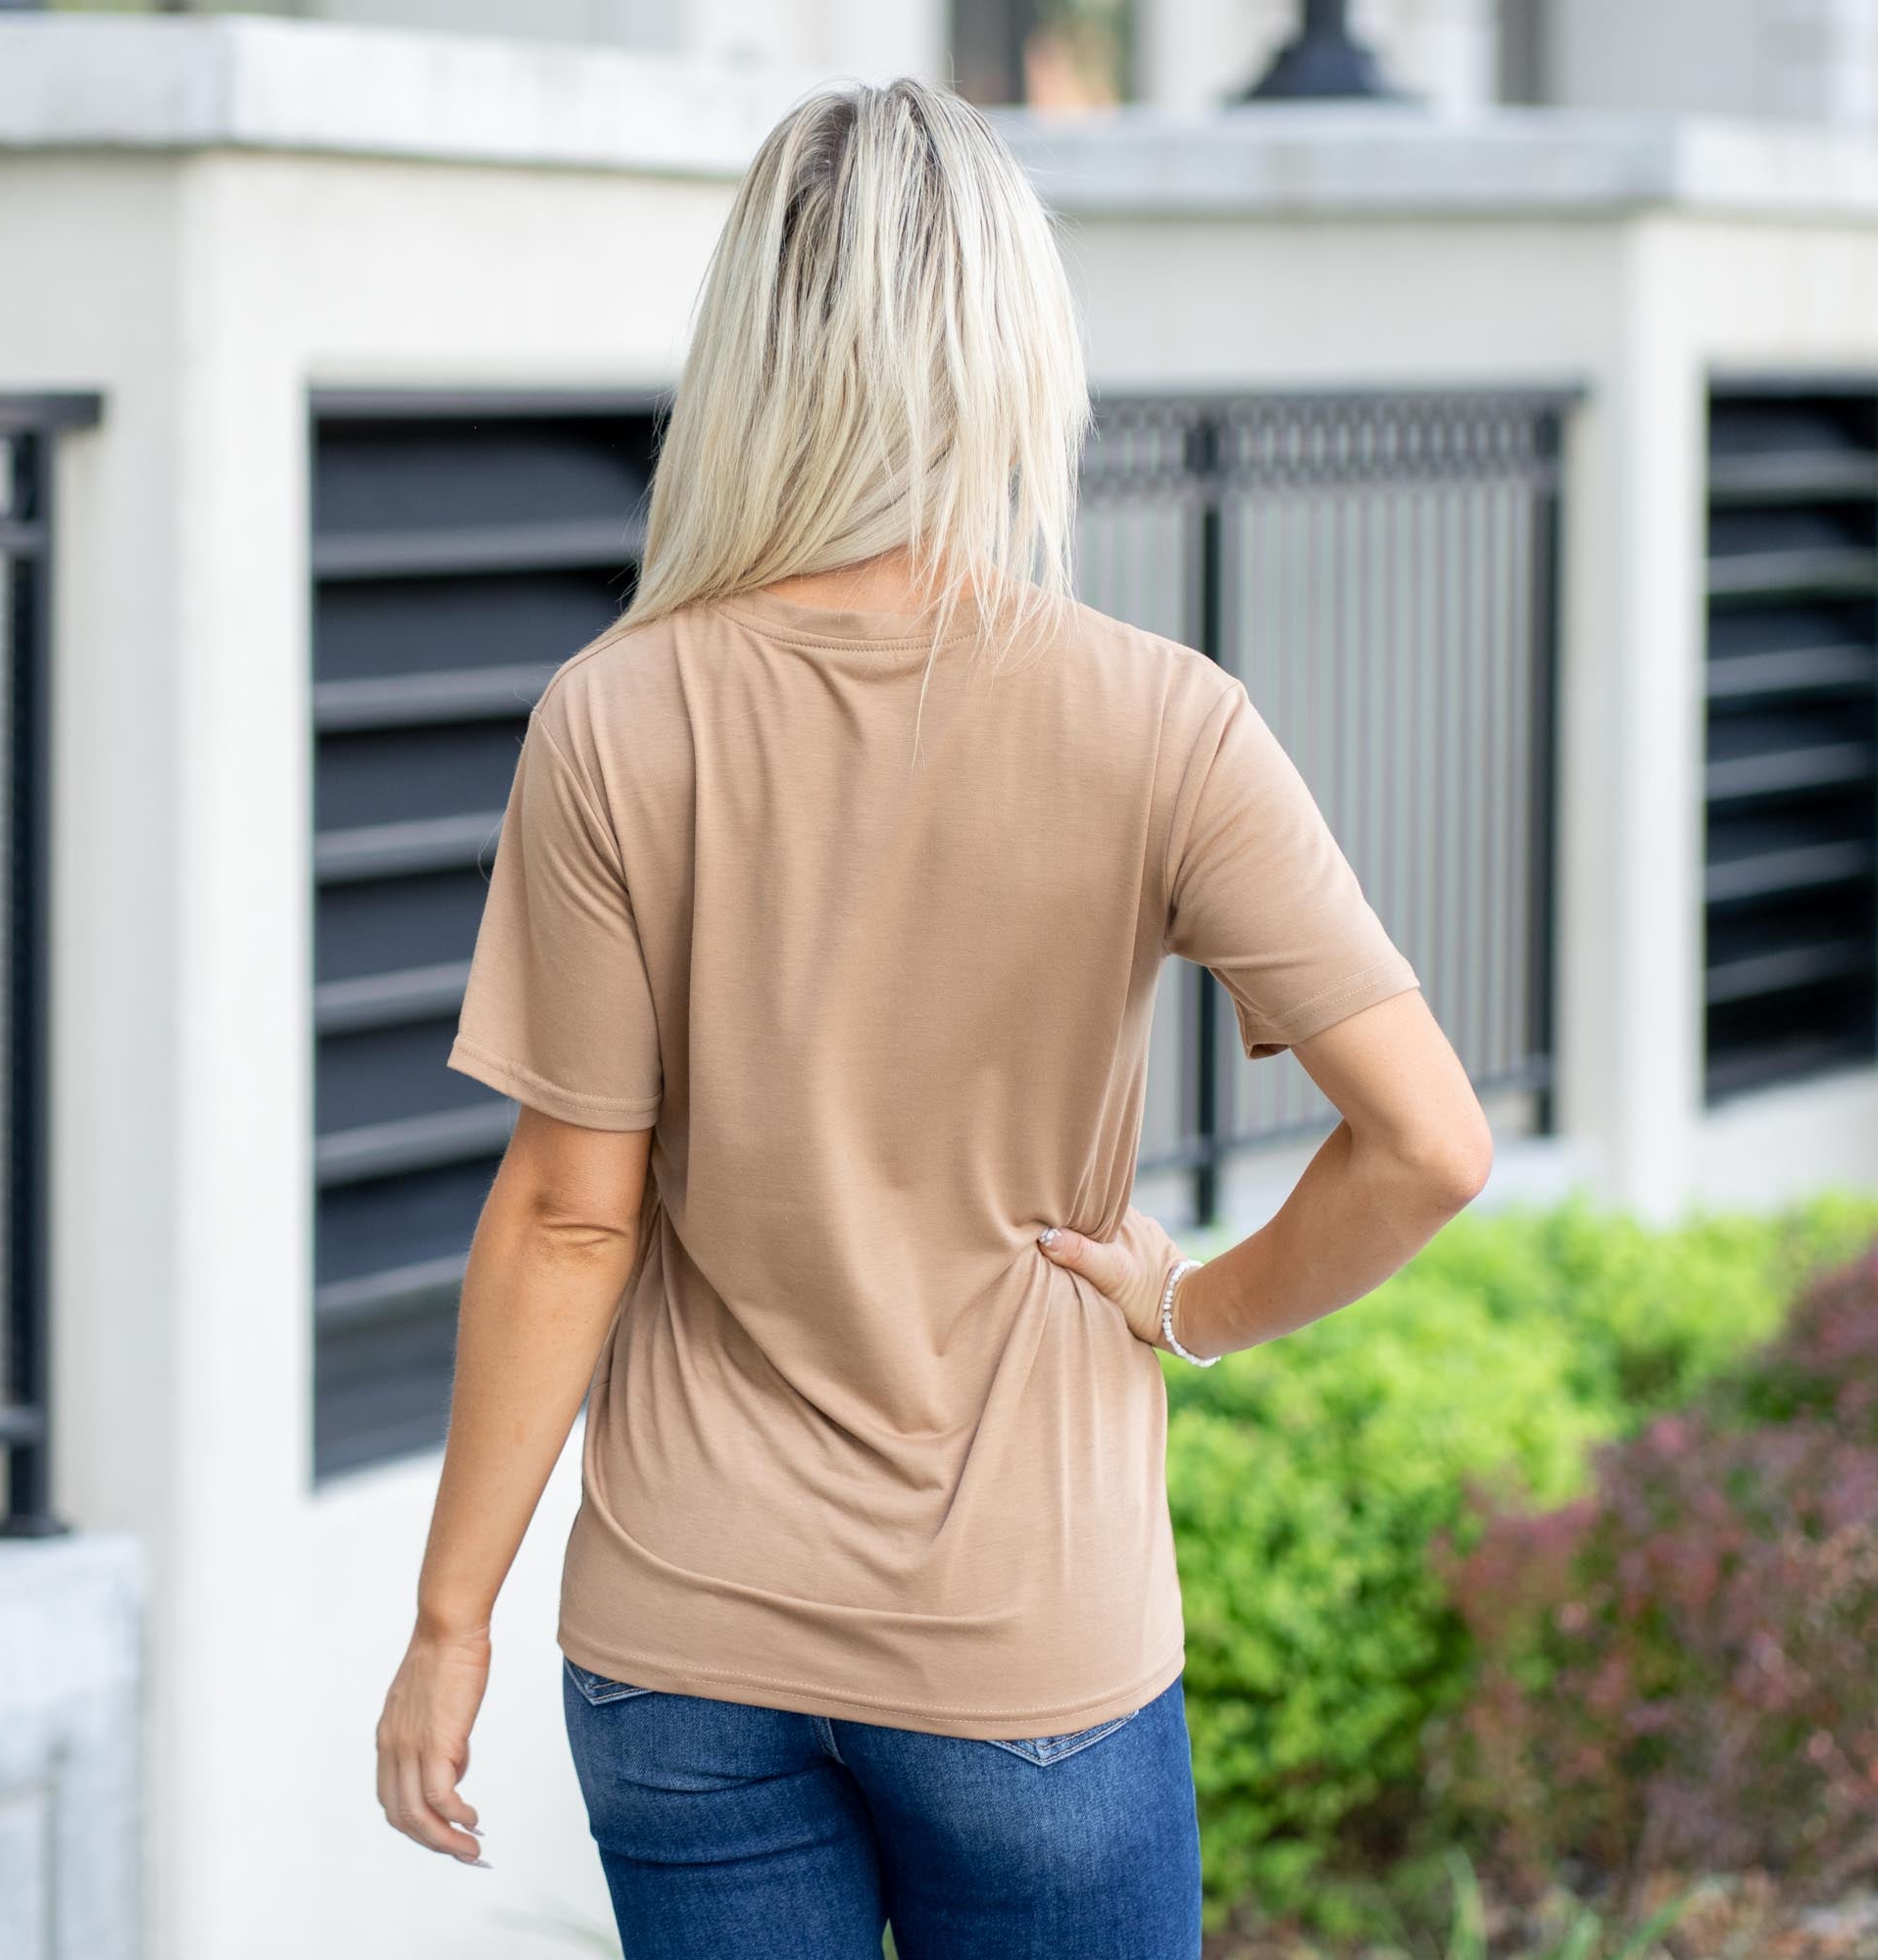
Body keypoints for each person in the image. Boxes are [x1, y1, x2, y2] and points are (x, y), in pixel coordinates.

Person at [373, 74, 1492, 1960]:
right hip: (1025, 1646)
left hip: (685, 1646)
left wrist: (448, 1626)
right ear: (1015, 353)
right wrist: (1193, 1311)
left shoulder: (614, 716)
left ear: (751, 355)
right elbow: (1432, 1145)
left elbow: (571, 1211)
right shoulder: (1162, 721)